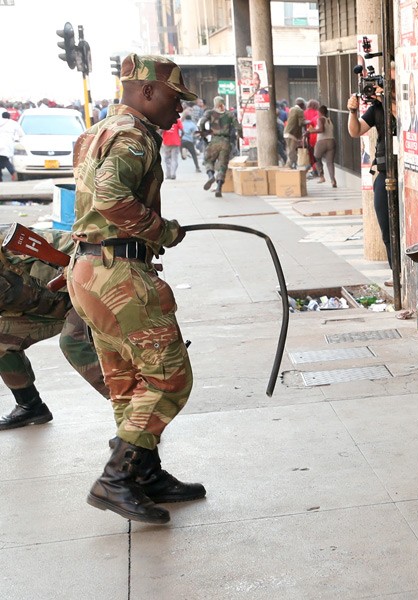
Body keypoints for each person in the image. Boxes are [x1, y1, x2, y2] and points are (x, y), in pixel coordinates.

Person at [68, 53, 203, 525]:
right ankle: (115, 479)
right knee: (169, 379)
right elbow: (110, 198)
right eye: (174, 97)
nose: (179, 108)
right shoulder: (132, 135)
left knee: (128, 382)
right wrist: (161, 230)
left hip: (91, 268)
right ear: (146, 91)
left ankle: (144, 473)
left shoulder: (98, 131)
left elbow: (86, 204)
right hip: (118, 275)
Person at [0, 227, 108, 430]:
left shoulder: (15, 241)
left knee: (73, 342)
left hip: (87, 296)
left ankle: (134, 410)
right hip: (48, 311)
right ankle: (30, 406)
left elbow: (87, 249)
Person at [347, 87, 396, 270]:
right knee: (387, 228)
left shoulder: (405, 102)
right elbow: (355, 131)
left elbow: (403, 120)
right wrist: (352, 111)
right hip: (385, 172)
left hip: (407, 173)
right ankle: (396, 272)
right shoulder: (377, 108)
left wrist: (387, 99)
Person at [198, 95, 240, 198]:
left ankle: (210, 176)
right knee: (222, 166)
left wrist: (203, 133)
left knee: (208, 160)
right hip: (226, 142)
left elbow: (201, 123)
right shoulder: (229, 114)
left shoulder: (210, 113)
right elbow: (238, 127)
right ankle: (219, 188)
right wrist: (240, 136)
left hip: (214, 140)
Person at [310, 105, 337, 187]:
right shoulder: (330, 120)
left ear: (320, 112)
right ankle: (333, 180)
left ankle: (321, 176)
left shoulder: (320, 119)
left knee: (315, 158)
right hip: (331, 141)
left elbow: (321, 129)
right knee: (330, 162)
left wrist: (311, 131)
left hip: (322, 141)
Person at [0, 111, 24, 182]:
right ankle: (13, 172)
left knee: (2, 159)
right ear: (9, 117)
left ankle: (1, 177)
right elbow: (21, 134)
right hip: (7, 144)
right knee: (4, 159)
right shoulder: (13, 123)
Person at [285, 97, 307, 169]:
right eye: (304, 105)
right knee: (292, 151)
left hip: (287, 132)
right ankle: (291, 165)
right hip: (292, 134)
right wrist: (309, 121)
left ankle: (290, 165)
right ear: (302, 105)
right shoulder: (299, 110)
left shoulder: (291, 109)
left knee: (290, 150)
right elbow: (301, 123)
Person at [304, 99, 321, 178]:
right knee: (316, 154)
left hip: (309, 136)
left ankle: (312, 169)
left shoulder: (305, 113)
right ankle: (316, 170)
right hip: (317, 136)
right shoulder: (317, 113)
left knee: (311, 154)